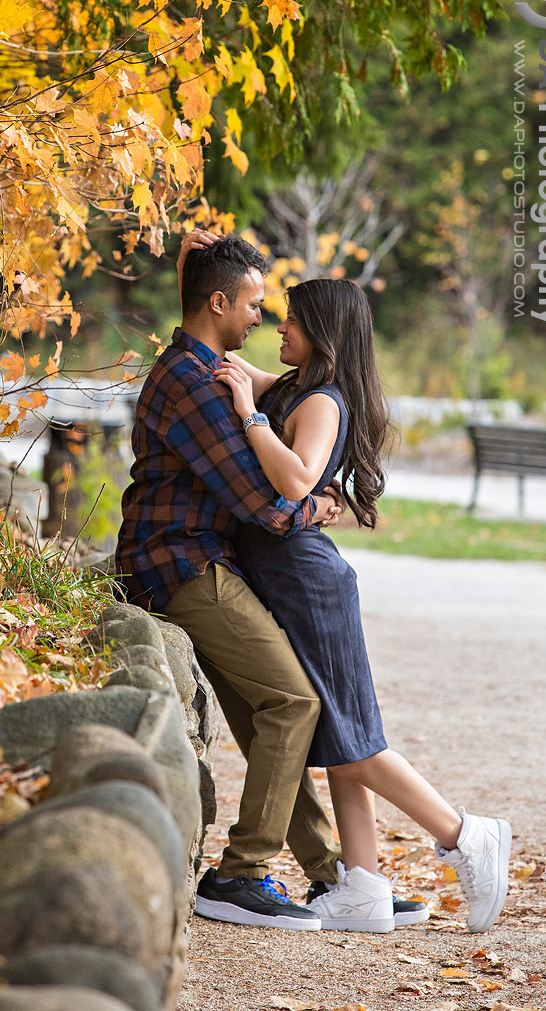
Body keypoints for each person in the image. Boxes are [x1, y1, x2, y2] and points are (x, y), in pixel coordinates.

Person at [204, 248, 512, 935]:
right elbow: (228, 361)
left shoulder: (316, 401)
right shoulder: (294, 385)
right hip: (294, 580)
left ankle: (465, 834)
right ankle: (363, 886)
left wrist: (249, 413)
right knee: (340, 736)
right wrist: (197, 281)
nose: (276, 331)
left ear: (323, 332)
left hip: (309, 583)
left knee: (356, 742)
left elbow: (295, 479)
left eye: (289, 322)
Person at [115, 233, 346, 930]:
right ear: (217, 303)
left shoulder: (206, 365)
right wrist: (320, 507)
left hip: (195, 560)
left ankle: (331, 876)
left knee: (262, 711)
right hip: (179, 565)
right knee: (292, 701)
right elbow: (262, 504)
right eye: (250, 302)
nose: (260, 315)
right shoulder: (192, 383)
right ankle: (240, 873)